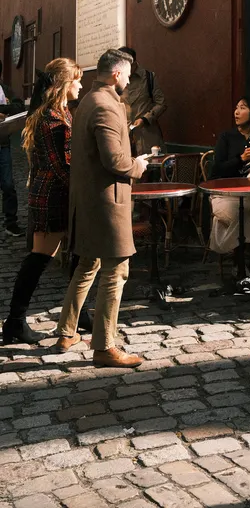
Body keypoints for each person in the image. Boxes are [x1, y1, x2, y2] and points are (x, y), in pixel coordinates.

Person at [54, 49, 147, 368]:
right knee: (117, 270)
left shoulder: (88, 102)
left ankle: (67, 331)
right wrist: (138, 165)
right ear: (118, 75)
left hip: (88, 201)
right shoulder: (107, 105)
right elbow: (115, 161)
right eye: (128, 76)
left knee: (87, 265)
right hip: (107, 203)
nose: (129, 82)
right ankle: (104, 346)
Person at [2, 60, 83, 345]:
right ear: (63, 84)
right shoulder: (51, 118)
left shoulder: (60, 113)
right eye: (77, 81)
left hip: (55, 193)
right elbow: (59, 166)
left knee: (78, 252)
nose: (81, 86)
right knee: (39, 259)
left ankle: (78, 312)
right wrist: (83, 189)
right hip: (51, 196)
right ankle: (14, 322)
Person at [209, 98, 250, 280]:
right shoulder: (226, 137)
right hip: (223, 194)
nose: (236, 112)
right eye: (236, 108)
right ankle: (247, 265)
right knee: (241, 216)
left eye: (243, 108)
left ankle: (246, 266)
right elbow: (217, 170)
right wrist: (241, 159)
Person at [119, 47, 167, 156]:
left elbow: (161, 103)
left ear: (133, 63)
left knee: (147, 169)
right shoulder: (116, 80)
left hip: (147, 136)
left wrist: (145, 119)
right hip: (124, 137)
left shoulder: (149, 77)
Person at [0, 59, 22, 237]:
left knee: (8, 184)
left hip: (3, 144)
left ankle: (11, 222)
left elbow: (18, 106)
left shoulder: (5, 89)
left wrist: (3, 110)